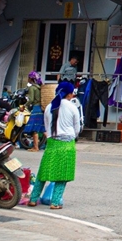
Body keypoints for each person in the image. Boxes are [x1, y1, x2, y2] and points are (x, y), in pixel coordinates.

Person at [28, 81, 82, 209]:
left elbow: (47, 128)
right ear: (69, 94)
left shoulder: (49, 107)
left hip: (52, 143)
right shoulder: (72, 107)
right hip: (67, 144)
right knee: (62, 175)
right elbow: (77, 128)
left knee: (43, 173)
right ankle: (55, 202)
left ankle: (33, 199)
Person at [22, 72, 46, 150]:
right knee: (42, 129)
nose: (28, 79)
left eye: (29, 77)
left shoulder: (32, 88)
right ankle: (53, 144)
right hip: (41, 109)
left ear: (31, 78)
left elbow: (31, 99)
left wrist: (24, 105)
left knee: (34, 128)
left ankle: (35, 147)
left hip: (36, 109)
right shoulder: (40, 87)